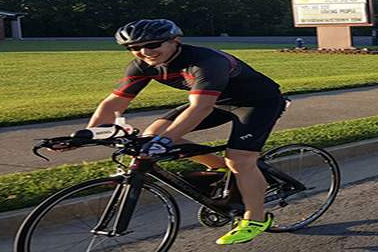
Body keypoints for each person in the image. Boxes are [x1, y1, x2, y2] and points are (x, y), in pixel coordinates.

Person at [84, 19, 285, 245]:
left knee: (239, 159)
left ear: (175, 40)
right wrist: (88, 134)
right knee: (153, 133)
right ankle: (219, 167)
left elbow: (201, 107)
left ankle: (256, 219)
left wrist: (165, 141)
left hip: (257, 103)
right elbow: (113, 104)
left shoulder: (206, 62)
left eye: (152, 45)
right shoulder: (141, 66)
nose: (144, 52)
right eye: (134, 48)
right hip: (218, 101)